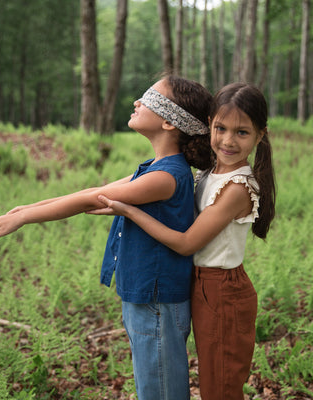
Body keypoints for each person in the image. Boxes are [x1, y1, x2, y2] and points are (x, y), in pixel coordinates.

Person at [0, 75, 214, 400]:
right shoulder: (157, 167)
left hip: (157, 300)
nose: (136, 102)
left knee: (160, 390)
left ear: (170, 122)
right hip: (146, 296)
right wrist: (26, 207)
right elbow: (94, 191)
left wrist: (24, 218)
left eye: (150, 99)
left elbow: (91, 200)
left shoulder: (166, 177)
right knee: (152, 387)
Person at [92, 83, 276, 400]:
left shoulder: (236, 187)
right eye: (220, 128)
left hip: (223, 290)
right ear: (208, 125)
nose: (228, 140)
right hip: (200, 284)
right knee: (210, 378)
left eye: (242, 133)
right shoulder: (208, 172)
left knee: (220, 386)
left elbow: (186, 243)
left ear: (260, 135)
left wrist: (131, 212)